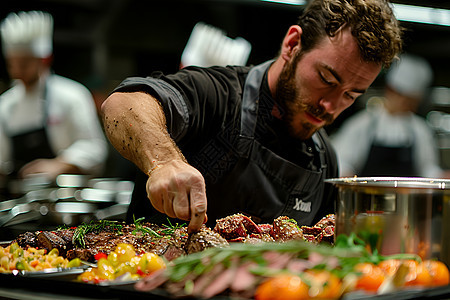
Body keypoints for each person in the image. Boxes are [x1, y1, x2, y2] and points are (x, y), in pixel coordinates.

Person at [101, 0, 403, 232]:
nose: (331, 105)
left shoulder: (324, 160)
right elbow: (122, 104)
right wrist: (163, 162)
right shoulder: (216, 95)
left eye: (351, 95)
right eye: (327, 78)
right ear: (292, 44)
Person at [0, 11, 107, 187]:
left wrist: (58, 165)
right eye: (12, 64)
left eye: (24, 64)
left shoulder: (72, 94)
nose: (17, 71)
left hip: (66, 194)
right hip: (20, 200)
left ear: (45, 59)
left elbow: (95, 148)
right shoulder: (5, 105)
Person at [332, 54, 444, 178]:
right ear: (390, 90)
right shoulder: (362, 124)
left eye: (412, 101)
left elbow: (428, 169)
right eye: (404, 99)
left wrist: (441, 176)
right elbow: (342, 162)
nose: (408, 106)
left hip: (406, 197)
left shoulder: (420, 129)